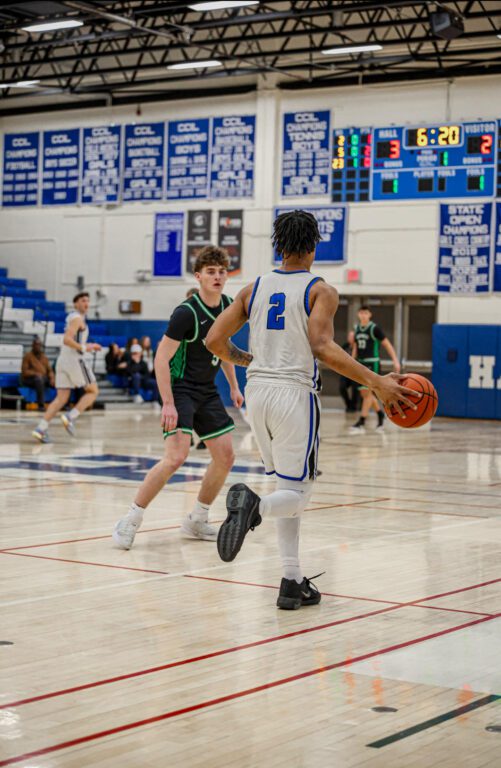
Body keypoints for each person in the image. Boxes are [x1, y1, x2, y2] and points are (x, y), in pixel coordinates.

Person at [206, 210, 417, 611]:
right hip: (293, 395)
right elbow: (321, 346)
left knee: (289, 487)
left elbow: (214, 340)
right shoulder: (321, 290)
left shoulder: (253, 288)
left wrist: (250, 361)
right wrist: (376, 381)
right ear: (314, 246)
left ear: (279, 245)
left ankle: (291, 581)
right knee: (296, 495)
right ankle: (254, 507)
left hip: (257, 393)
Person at [112, 245, 244, 549]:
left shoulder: (228, 306)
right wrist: (168, 403)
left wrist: (234, 386)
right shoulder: (186, 313)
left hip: (207, 390)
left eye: (222, 272)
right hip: (180, 388)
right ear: (198, 276)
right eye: (211, 271)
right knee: (175, 457)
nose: (217, 276)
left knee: (225, 456)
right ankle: (130, 519)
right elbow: (161, 358)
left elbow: (224, 349)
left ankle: (197, 518)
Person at [32, 292, 101, 443]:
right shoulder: (77, 318)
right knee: (93, 391)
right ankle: (71, 416)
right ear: (75, 304)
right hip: (75, 360)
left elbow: (73, 341)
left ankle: (41, 428)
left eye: (88, 301)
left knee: (61, 398)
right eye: (83, 300)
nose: (86, 303)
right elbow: (67, 339)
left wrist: (88, 346)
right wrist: (84, 348)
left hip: (63, 360)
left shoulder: (72, 318)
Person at [350, 306, 401, 434]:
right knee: (365, 394)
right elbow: (355, 347)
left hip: (373, 363)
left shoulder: (374, 328)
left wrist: (395, 360)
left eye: (365, 313)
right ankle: (380, 415)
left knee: (367, 393)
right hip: (361, 363)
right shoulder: (357, 329)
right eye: (361, 313)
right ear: (358, 314)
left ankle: (361, 422)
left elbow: (387, 344)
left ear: (370, 314)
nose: (363, 315)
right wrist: (351, 361)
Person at [21, 337, 55, 410]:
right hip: (30, 379)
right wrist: (35, 373)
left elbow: (50, 370)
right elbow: (25, 371)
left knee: (58, 382)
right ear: (33, 346)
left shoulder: (44, 357)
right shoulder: (27, 356)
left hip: (43, 378)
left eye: (39, 345)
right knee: (38, 379)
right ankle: (41, 405)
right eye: (36, 345)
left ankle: (62, 404)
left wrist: (52, 377)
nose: (37, 346)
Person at [339, 331, 359, 413]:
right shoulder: (345, 346)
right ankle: (348, 404)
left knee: (355, 388)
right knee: (342, 387)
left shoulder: (358, 347)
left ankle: (353, 406)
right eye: (349, 336)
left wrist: (355, 347)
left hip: (356, 373)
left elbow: (353, 360)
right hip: (346, 371)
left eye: (352, 336)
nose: (350, 338)